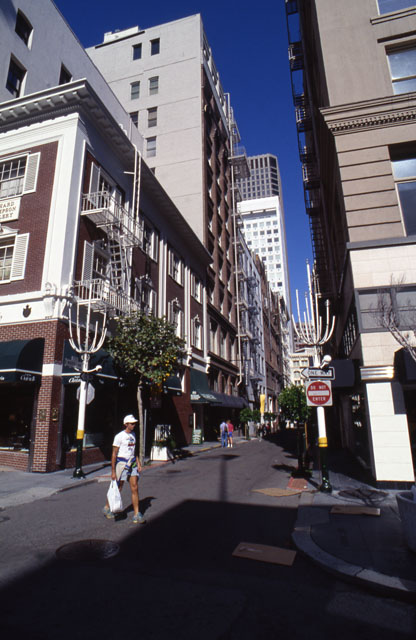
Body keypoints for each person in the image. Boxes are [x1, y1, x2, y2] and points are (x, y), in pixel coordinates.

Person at [103, 414, 146, 523]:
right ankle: (107, 507)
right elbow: (114, 454)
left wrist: (138, 462)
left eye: (134, 423)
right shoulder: (119, 436)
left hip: (132, 463)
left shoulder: (134, 435)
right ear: (126, 424)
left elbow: (133, 451)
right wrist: (113, 471)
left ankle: (137, 514)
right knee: (118, 487)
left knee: (135, 487)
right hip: (121, 464)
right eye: (132, 423)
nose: (134, 425)